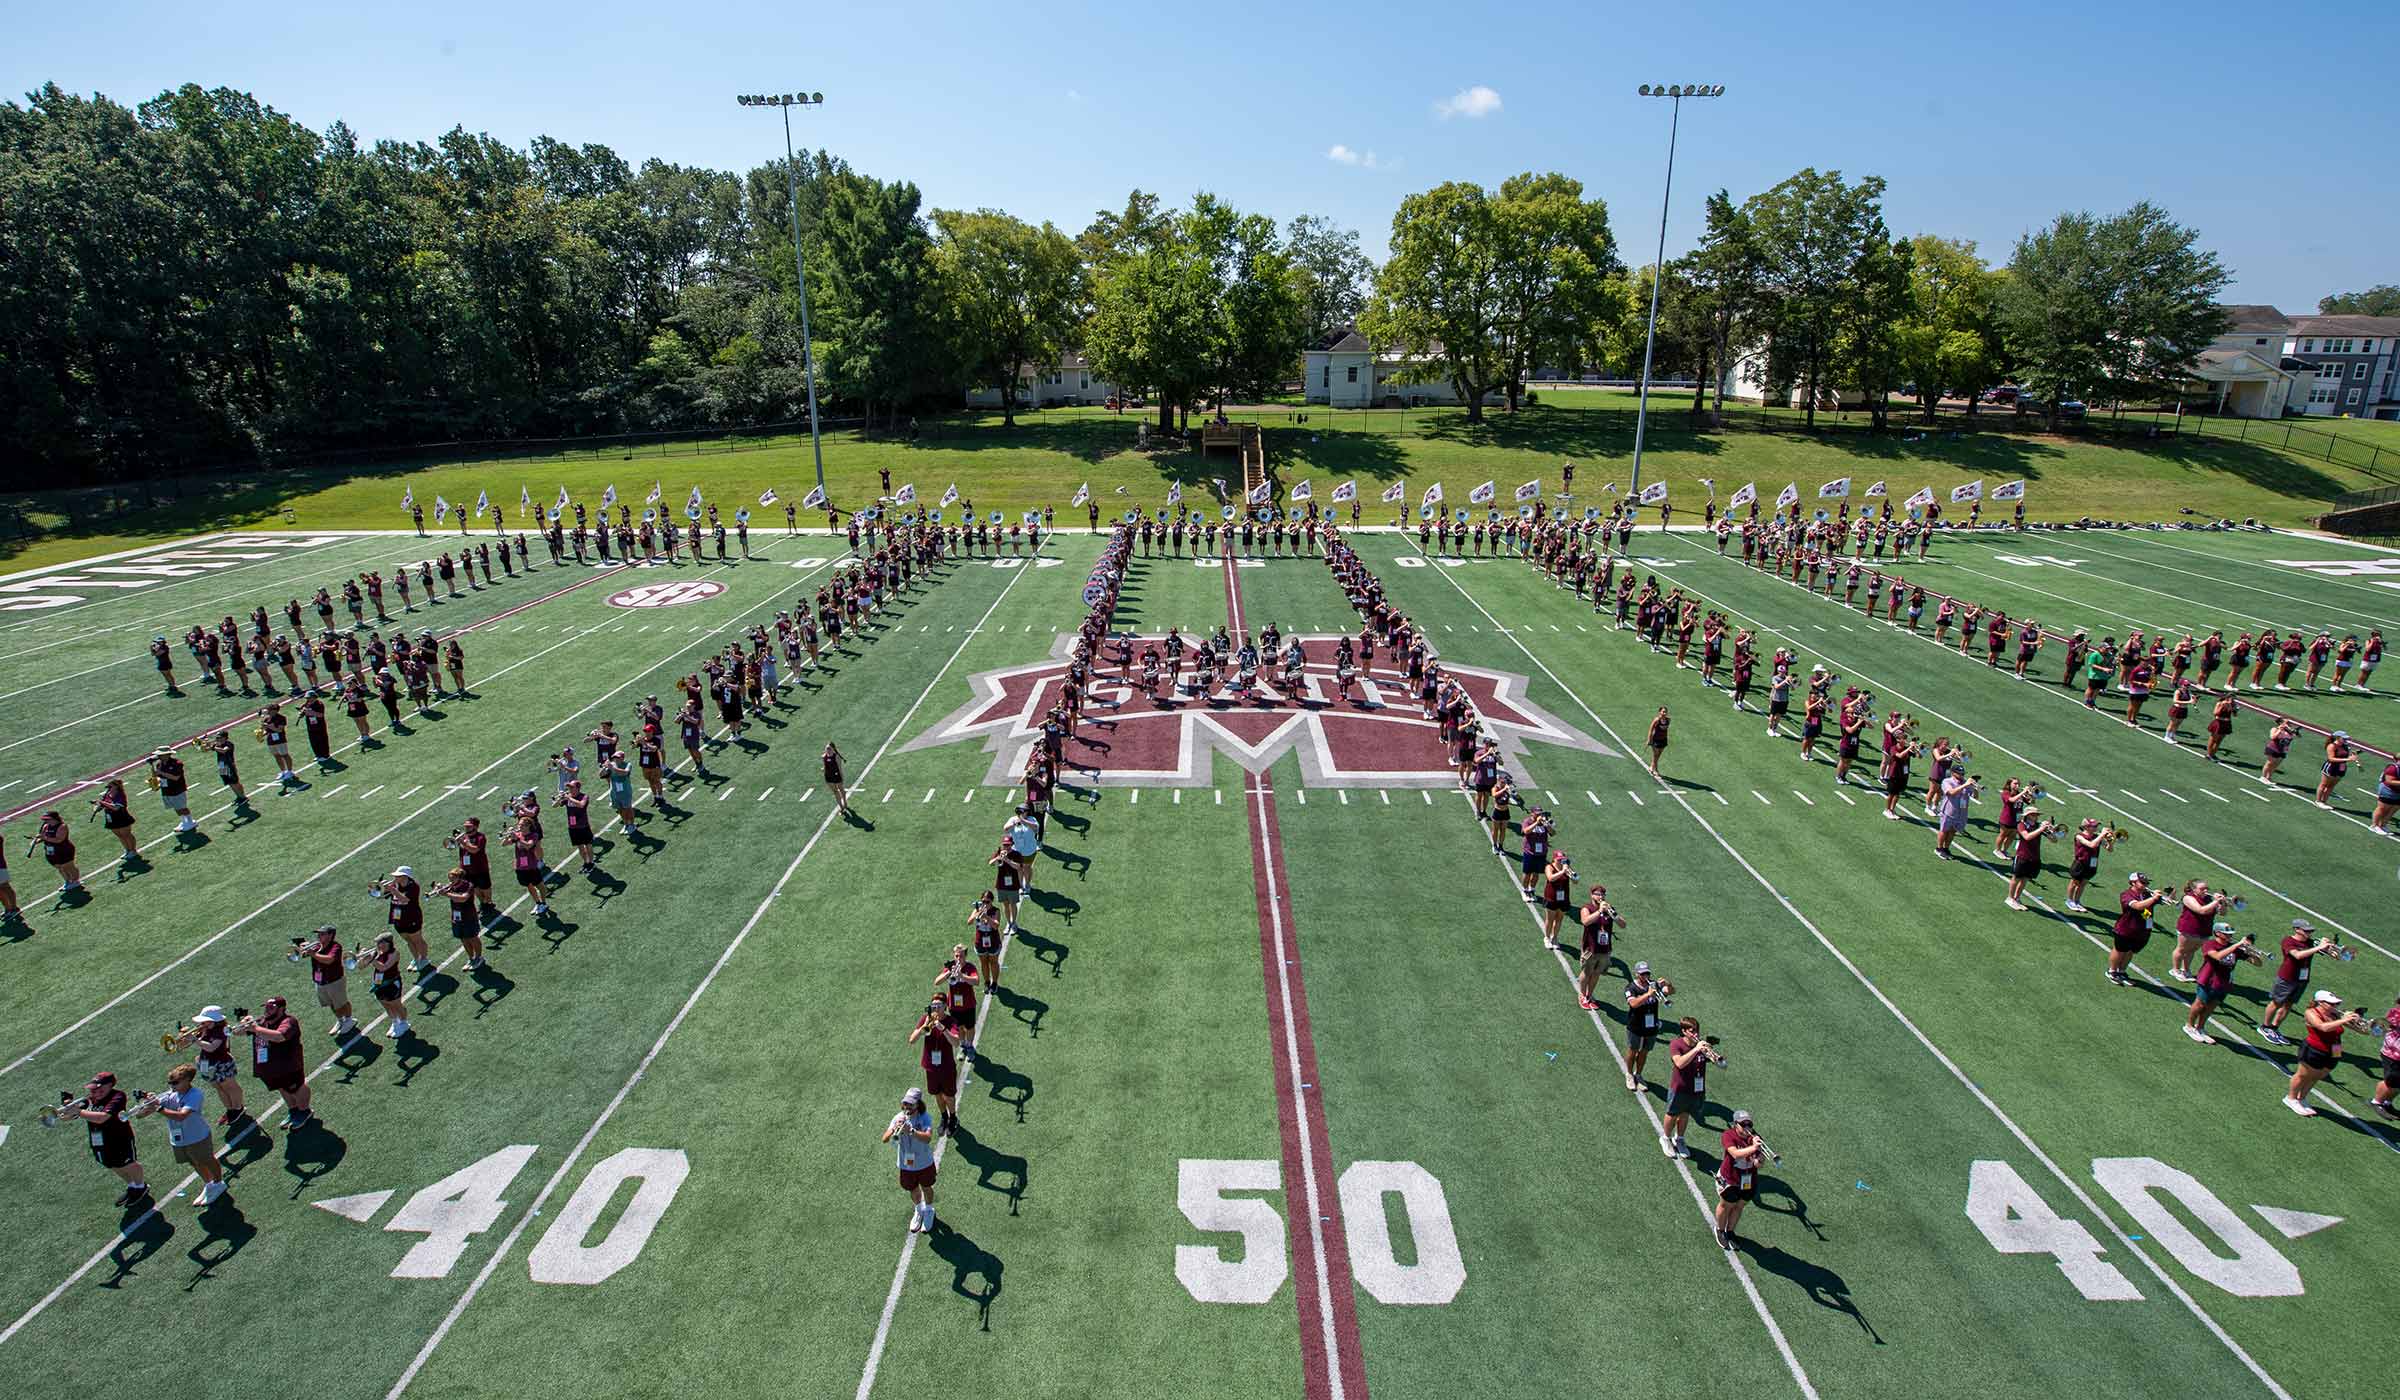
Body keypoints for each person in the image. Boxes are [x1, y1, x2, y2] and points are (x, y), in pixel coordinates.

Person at [2283, 992, 2375, 1117]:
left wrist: (2360, 1023)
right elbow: (2323, 1027)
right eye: (2332, 1003)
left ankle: (2302, 1098)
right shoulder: (2311, 1013)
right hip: (2315, 1049)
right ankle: (2291, 1098)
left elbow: (2363, 1032)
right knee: (2303, 1075)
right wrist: (2344, 1019)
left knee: (2318, 1076)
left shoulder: (2336, 1014)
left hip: (2335, 1049)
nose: (2335, 1006)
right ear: (2321, 1002)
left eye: (2337, 1003)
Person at [68, 1070, 150, 1209]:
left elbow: (102, 1117)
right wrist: (67, 1109)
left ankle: (141, 1187)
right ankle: (132, 1186)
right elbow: (68, 1117)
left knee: (129, 1164)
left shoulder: (117, 1096)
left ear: (110, 1085)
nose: (96, 1091)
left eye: (100, 1087)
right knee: (112, 1164)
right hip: (99, 1140)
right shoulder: (92, 1098)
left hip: (119, 1138)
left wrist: (79, 1112)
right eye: (95, 1088)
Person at [155, 1062, 228, 1206]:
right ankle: (209, 1184)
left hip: (197, 1136)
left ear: (187, 1080)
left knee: (207, 1159)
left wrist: (159, 1109)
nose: (172, 1085)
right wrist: (148, 1100)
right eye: (170, 1082)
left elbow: (181, 1116)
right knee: (194, 1162)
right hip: (179, 1138)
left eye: (175, 1082)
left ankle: (219, 1183)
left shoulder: (195, 1095)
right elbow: (142, 1114)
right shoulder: (171, 1094)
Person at [2259, 920, 2332, 1047]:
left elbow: (2334, 955)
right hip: (2287, 977)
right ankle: (2265, 1027)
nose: (2309, 933)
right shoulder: (2288, 941)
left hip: (2302, 979)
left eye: (2311, 931)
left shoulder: (2311, 943)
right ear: (2297, 929)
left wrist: (2329, 946)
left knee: (2288, 1005)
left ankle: (2275, 1028)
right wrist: (2318, 947)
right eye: (2306, 930)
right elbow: (2297, 955)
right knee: (2276, 1002)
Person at [2182, 926, 2256, 1045]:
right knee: (2200, 1004)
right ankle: (2189, 1026)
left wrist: (2251, 951)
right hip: (2208, 979)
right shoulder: (2210, 944)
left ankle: (2200, 1028)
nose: (2230, 936)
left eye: (2231, 933)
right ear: (2217, 933)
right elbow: (2217, 956)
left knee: (2211, 1006)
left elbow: (2258, 964)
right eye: (2226, 933)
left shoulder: (2233, 947)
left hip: (2224, 983)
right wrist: (2236, 946)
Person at [882, 1086, 940, 1235]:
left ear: (918, 1104)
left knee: (926, 1187)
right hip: (906, 1164)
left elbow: (927, 1138)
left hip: (924, 1162)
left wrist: (912, 1131)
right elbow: (885, 1139)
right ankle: (918, 1209)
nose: (907, 1107)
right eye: (906, 1103)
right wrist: (895, 1127)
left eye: (911, 1104)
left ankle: (928, 1210)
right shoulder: (898, 1117)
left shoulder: (925, 1118)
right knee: (913, 1188)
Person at [909, 996, 962, 1137]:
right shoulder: (925, 1019)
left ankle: (953, 1118)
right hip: (931, 1067)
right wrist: (923, 1028)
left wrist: (942, 1028)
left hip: (946, 1067)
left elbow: (956, 1043)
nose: (936, 1009)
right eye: (933, 1006)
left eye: (939, 1005)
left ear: (945, 1006)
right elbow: (912, 1040)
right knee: (937, 1094)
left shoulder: (951, 1021)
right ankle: (944, 1116)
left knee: (949, 1096)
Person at [1660, 1017, 1711, 1159]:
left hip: (1696, 1088)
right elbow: (1680, 1063)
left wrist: (1714, 1057)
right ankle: (1665, 1138)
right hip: (1679, 1087)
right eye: (1692, 1031)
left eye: (1697, 1030)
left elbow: (1721, 1065)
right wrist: (1696, 1049)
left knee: (1686, 1113)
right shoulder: (1676, 1044)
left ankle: (1680, 1139)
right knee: (1672, 1113)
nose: (1696, 1033)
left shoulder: (1701, 1046)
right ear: (1684, 1031)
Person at [1715, 1109, 1765, 1249]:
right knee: (1726, 1205)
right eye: (1743, 1124)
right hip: (1730, 1178)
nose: (1747, 1128)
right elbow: (1735, 1154)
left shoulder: (1756, 1138)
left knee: (1739, 1205)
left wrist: (1760, 1160)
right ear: (1735, 1124)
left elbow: (1757, 1164)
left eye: (1749, 1124)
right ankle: (1719, 1230)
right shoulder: (1728, 1135)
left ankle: (1730, 1231)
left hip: (1749, 1180)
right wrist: (1754, 1147)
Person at [2105, 872, 2163, 987]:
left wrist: (2168, 896)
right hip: (2126, 928)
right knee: (2120, 950)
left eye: (2146, 882)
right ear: (2133, 882)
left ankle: (2121, 971)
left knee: (2131, 951)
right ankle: (2112, 971)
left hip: (2142, 930)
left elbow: (2158, 902)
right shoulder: (2126, 895)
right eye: (2142, 882)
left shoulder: (2146, 894)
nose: (2146, 885)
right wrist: (2153, 898)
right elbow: (2137, 906)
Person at [2167, 880, 2228, 984]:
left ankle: (2186, 970)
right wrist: (2215, 901)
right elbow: (2201, 910)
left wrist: (2222, 903)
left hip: (2204, 930)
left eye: (2206, 888)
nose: (2205, 891)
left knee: (2192, 950)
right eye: (2202, 889)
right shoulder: (2188, 898)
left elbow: (2223, 913)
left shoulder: (2210, 899)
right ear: (2194, 889)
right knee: (2182, 949)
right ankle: (2175, 970)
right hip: (2188, 928)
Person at [304, 923, 356, 1039]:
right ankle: (340, 1020)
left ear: (330, 935)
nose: (319, 936)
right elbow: (304, 954)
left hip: (335, 981)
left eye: (322, 934)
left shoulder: (336, 947)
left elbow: (329, 960)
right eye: (318, 934)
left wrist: (313, 954)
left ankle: (349, 1020)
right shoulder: (317, 946)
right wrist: (304, 948)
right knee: (331, 1003)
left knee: (342, 1002)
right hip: (320, 981)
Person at [1575, 885, 1621, 1010]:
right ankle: (1582, 995)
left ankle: (1589, 995)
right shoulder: (1586, 908)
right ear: (1592, 895)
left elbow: (1623, 924)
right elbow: (1585, 921)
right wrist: (1599, 911)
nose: (1600, 897)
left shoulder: (1609, 909)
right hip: (1590, 948)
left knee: (1597, 973)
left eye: (1602, 895)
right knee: (1587, 972)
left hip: (1604, 949)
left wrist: (1613, 914)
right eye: (1597, 894)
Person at [1624, 964, 1668, 1092]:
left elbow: (1670, 991)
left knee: (1644, 1051)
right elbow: (1633, 1004)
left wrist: (1667, 983)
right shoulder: (1630, 987)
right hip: (1635, 1025)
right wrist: (1648, 994)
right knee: (1633, 1050)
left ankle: (1638, 1074)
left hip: (1651, 1025)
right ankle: (1629, 1074)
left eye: (1647, 973)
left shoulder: (1653, 985)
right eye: (1642, 974)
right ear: (1636, 974)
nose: (1645, 976)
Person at [822, 742, 850, 815]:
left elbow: (839, 768)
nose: (827, 750)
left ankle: (845, 802)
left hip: (837, 776)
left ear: (833, 749)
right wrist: (824, 771)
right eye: (826, 748)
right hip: (828, 777)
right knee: (835, 792)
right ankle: (841, 807)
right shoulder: (824, 756)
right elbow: (825, 767)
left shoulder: (836, 757)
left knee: (841, 789)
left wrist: (842, 777)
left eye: (829, 748)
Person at [1646, 705, 1671, 780]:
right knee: (1656, 755)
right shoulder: (1656, 720)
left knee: (1658, 755)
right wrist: (1649, 740)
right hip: (1656, 740)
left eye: (1665, 712)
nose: (1664, 713)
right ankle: (1656, 770)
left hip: (1663, 740)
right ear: (1659, 712)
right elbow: (1650, 730)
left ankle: (1651, 767)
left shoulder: (1668, 720)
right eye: (1663, 711)